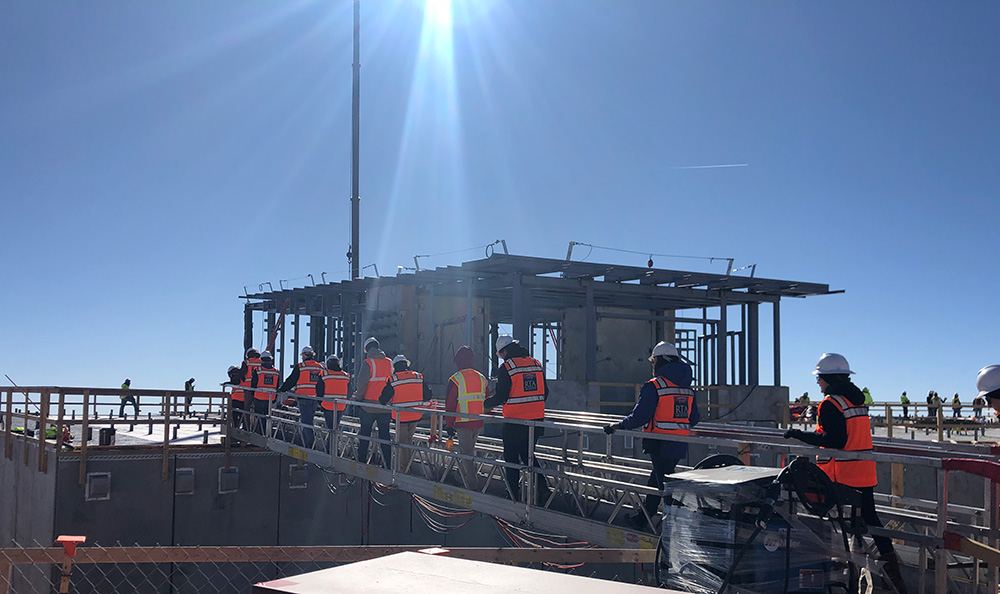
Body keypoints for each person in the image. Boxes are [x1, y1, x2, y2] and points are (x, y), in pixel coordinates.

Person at [783, 353, 907, 593]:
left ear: (828, 378)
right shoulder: (856, 401)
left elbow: (835, 440)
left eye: (819, 378)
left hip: (840, 478)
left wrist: (798, 434)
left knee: (817, 517)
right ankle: (894, 577)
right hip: (863, 473)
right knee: (871, 521)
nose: (818, 383)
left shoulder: (831, 404)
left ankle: (835, 571)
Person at [604, 341, 698, 531]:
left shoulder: (655, 385)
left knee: (662, 483)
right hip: (679, 442)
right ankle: (643, 518)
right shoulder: (687, 388)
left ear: (661, 360)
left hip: (658, 442)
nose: (653, 364)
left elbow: (640, 415)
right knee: (657, 479)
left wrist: (619, 425)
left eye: (653, 360)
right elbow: (694, 418)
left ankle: (674, 524)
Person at [484, 335, 549, 503]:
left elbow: (502, 395)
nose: (500, 357)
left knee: (511, 459)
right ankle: (543, 487)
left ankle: (513, 493)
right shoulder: (536, 364)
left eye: (499, 354)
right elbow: (545, 393)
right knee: (528, 454)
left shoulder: (507, 367)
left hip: (515, 421)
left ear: (504, 351)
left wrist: (486, 404)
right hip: (536, 420)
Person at [445, 345, 489, 489]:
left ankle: (472, 484)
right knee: (470, 450)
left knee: (466, 453)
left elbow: (450, 406)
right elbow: (487, 400)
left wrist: (449, 425)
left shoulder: (456, 379)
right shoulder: (481, 378)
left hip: (463, 422)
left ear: (458, 361)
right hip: (478, 421)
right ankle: (460, 476)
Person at [379, 354, 432, 472]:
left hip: (401, 417)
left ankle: (404, 470)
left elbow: (382, 399)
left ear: (395, 367)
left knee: (402, 443)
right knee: (408, 440)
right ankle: (408, 466)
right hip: (416, 415)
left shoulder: (394, 379)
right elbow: (428, 395)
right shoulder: (418, 376)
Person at [353, 337, 393, 467]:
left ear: (367, 349)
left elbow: (362, 383)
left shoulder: (368, 363)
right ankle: (388, 463)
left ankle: (361, 461)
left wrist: (358, 399)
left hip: (368, 406)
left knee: (364, 435)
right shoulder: (389, 362)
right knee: (385, 436)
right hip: (385, 407)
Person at [278, 346, 323, 447]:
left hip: (304, 397)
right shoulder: (320, 367)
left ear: (303, 356)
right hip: (315, 398)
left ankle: (309, 442)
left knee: (306, 421)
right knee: (309, 419)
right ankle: (305, 440)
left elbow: (291, 381)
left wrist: (281, 389)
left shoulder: (300, 366)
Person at [317, 355, 350, 436]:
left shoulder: (324, 374)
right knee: (335, 428)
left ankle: (330, 447)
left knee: (331, 429)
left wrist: (320, 403)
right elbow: (350, 392)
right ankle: (335, 447)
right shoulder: (345, 375)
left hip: (327, 405)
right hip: (341, 405)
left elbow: (319, 390)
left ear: (327, 363)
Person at [250, 352, 280, 435]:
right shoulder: (276, 371)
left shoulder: (258, 370)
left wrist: (252, 395)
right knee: (268, 416)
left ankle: (260, 432)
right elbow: (277, 386)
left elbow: (253, 384)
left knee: (259, 416)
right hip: (270, 398)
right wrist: (275, 397)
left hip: (259, 397)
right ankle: (267, 433)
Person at [239, 348, 262, 430]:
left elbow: (241, 373)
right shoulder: (261, 362)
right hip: (258, 390)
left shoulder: (246, 362)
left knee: (247, 409)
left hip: (248, 389)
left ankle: (246, 427)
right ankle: (258, 428)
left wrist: (243, 380)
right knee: (258, 410)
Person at [226, 365, 246, 431]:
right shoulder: (243, 375)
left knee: (235, 414)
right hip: (244, 398)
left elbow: (235, 382)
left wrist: (227, 383)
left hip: (236, 399)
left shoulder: (236, 376)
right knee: (242, 414)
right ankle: (243, 427)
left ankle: (235, 427)